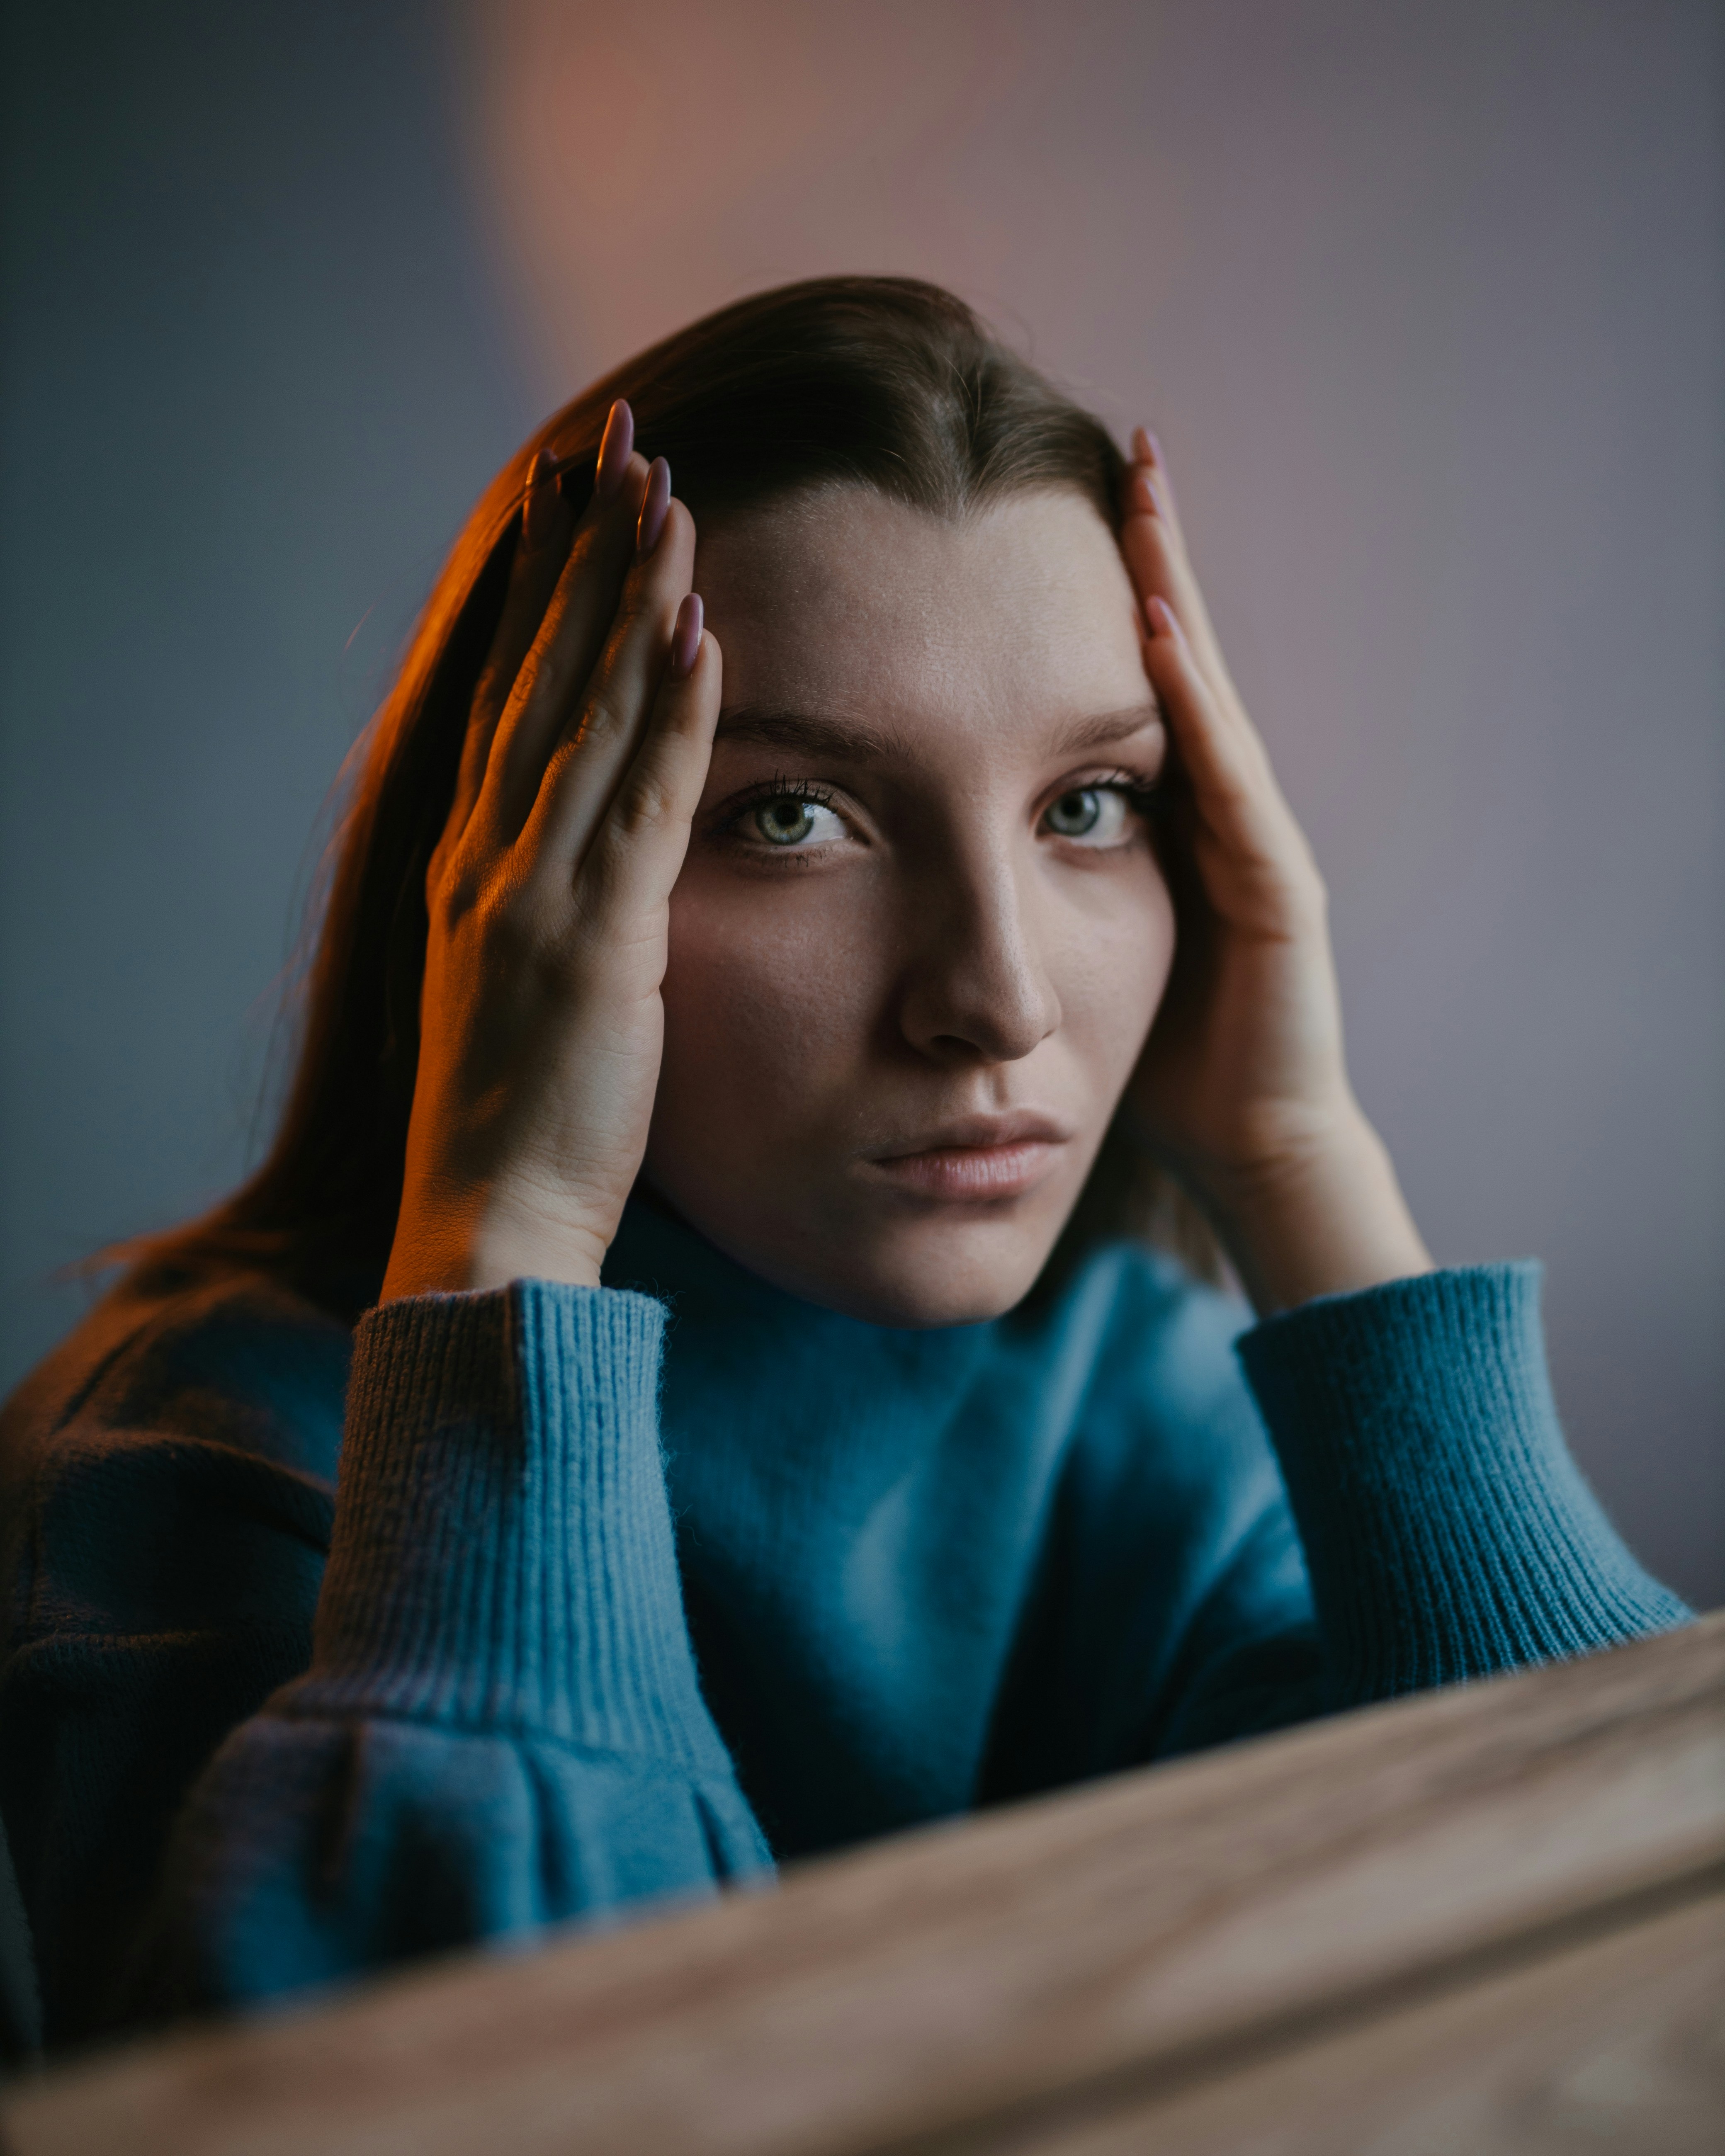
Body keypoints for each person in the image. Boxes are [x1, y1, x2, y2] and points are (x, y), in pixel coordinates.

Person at [0, 277, 1687, 2051]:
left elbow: (1637, 1946)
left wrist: (1295, 1152)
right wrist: (507, 1230)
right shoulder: (193, 1466)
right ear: (514, 875)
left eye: (1086, 806)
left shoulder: (1130, 1404)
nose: (1000, 997)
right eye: (789, 816)